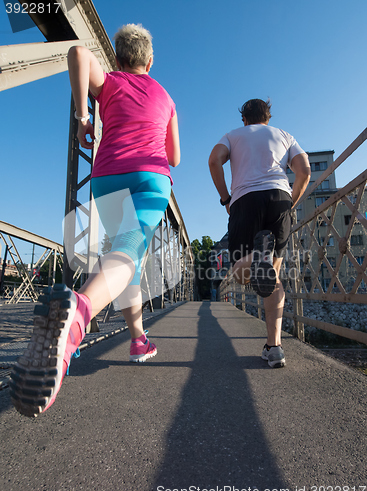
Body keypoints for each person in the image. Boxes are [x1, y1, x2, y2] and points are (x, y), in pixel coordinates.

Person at [10, 23, 180, 417]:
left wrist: (85, 115)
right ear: (150, 62)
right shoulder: (166, 97)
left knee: (126, 259)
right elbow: (174, 158)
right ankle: (80, 312)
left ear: (118, 57)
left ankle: (139, 340)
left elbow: (78, 54)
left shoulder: (112, 82)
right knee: (127, 252)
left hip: (108, 177)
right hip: (151, 179)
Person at [208, 99, 310, 368]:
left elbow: (214, 161)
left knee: (242, 275)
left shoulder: (233, 135)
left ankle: (256, 257)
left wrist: (225, 199)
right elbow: (305, 170)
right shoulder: (284, 135)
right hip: (279, 198)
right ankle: (274, 348)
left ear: (244, 119)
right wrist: (291, 202)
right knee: (271, 277)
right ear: (268, 116)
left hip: (245, 201)